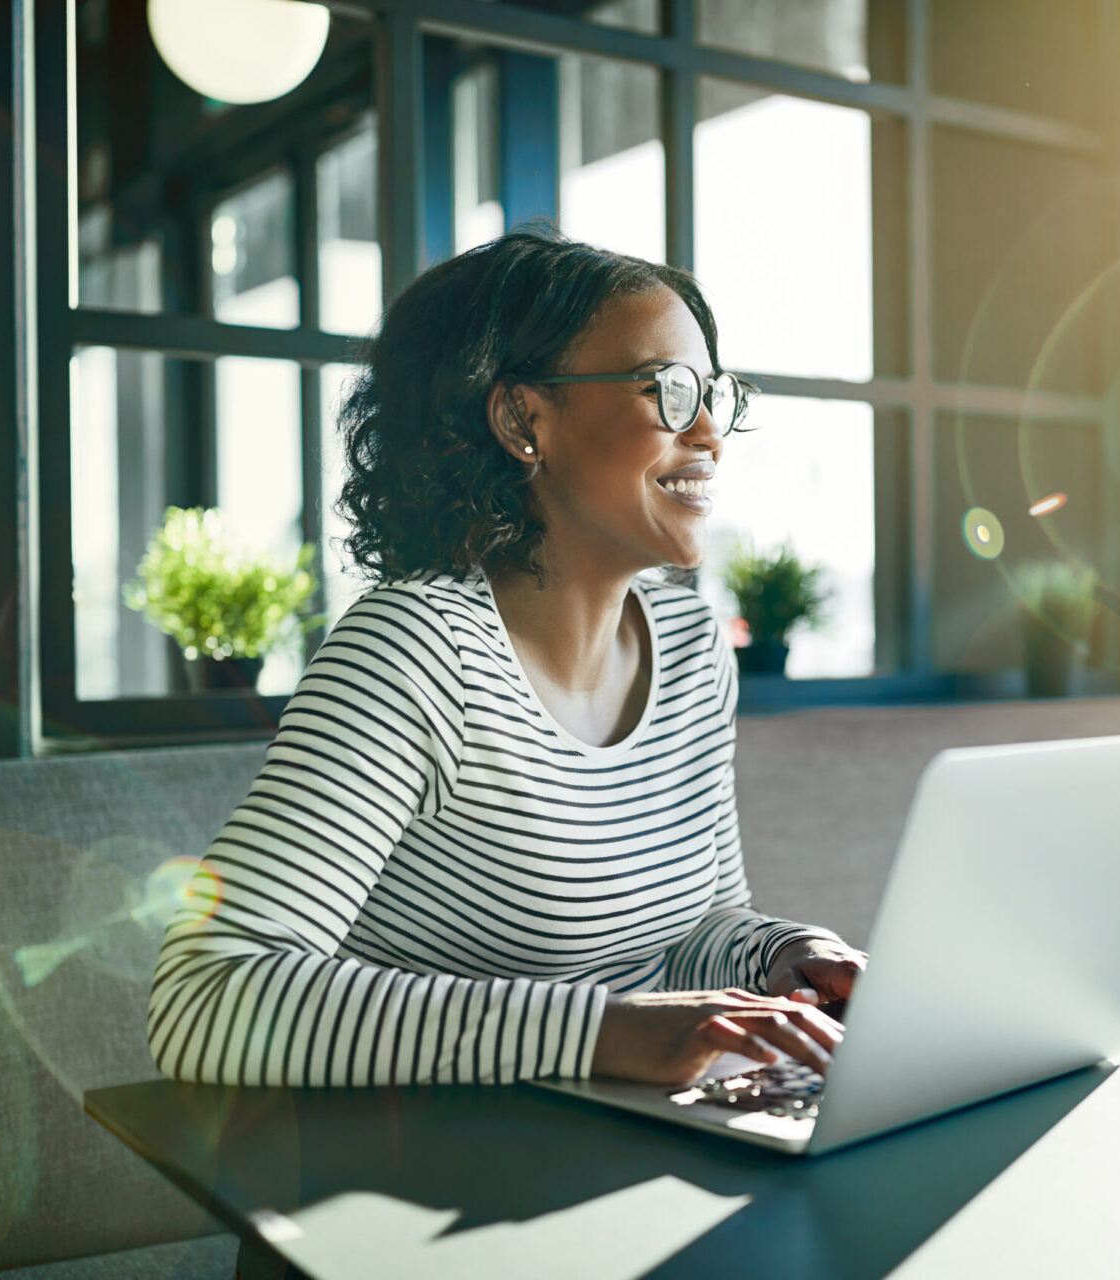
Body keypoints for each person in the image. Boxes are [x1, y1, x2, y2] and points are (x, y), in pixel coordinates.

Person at [147, 226, 866, 1089]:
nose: (710, 432)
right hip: (414, 1182)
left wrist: (783, 957)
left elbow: (693, 928)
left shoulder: (691, 647)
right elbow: (205, 994)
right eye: (670, 392)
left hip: (622, 1155)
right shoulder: (412, 652)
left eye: (714, 393)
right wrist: (601, 1033)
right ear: (524, 419)